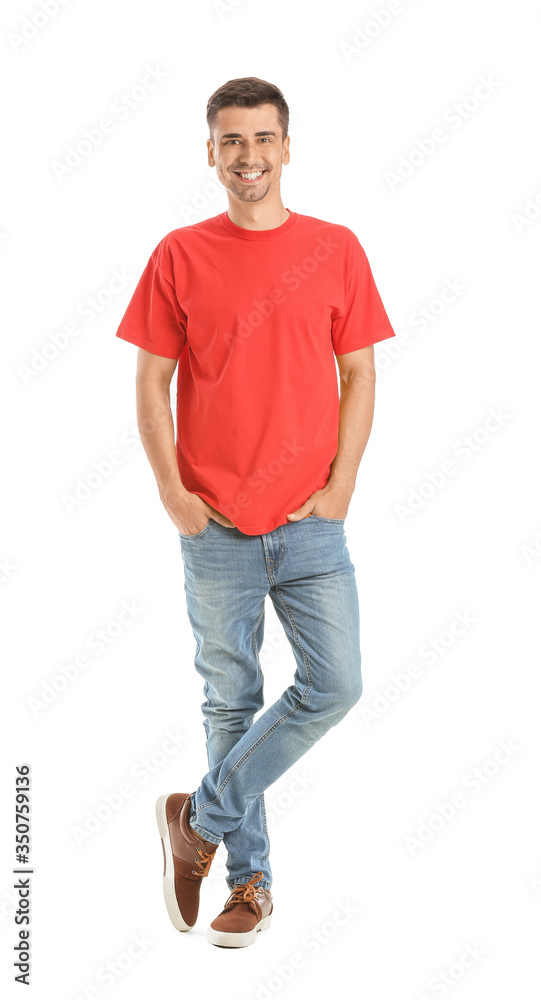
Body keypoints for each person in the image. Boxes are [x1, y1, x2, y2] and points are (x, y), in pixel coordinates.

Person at [115, 76, 396, 949]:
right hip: (216, 528)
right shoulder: (177, 254)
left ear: (287, 147)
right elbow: (151, 383)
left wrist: (342, 484)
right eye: (230, 141)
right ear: (210, 153)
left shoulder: (335, 248)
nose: (247, 156)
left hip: (312, 522)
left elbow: (359, 373)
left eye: (262, 139)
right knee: (230, 702)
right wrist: (173, 494)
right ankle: (250, 883)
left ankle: (195, 819)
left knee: (335, 684)